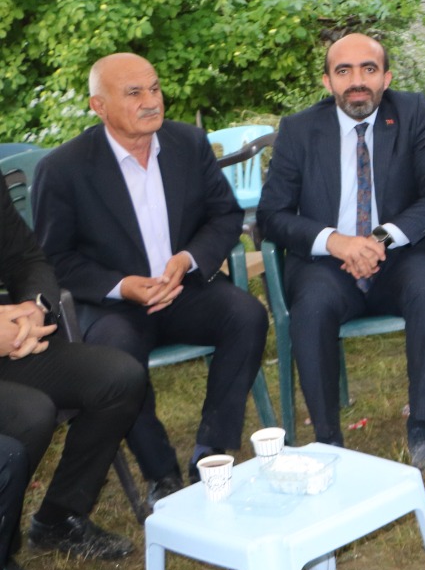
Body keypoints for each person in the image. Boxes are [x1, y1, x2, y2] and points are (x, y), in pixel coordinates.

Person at [32, 53, 267, 504]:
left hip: (185, 288)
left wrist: (188, 259)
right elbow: (54, 258)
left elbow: (224, 215)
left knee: (247, 315)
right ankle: (161, 473)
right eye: (134, 93)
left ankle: (211, 451)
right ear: (99, 106)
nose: (151, 101)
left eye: (154, 88)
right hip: (114, 305)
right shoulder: (63, 168)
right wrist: (123, 285)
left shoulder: (188, 144)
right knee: (116, 357)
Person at [257, 34, 425, 476]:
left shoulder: (412, 113)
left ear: (386, 77)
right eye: (343, 71)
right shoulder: (299, 129)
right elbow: (271, 214)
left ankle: (422, 428)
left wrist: (380, 239)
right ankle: (328, 441)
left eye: (368, 69)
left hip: (398, 256)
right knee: (312, 306)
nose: (357, 81)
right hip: (327, 265)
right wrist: (336, 241)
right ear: (327, 81)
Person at [0, 193, 145, 570]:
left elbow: (25, 257)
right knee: (30, 414)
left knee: (117, 377)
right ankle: (3, 553)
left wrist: (34, 308)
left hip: (12, 340)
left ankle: (59, 517)